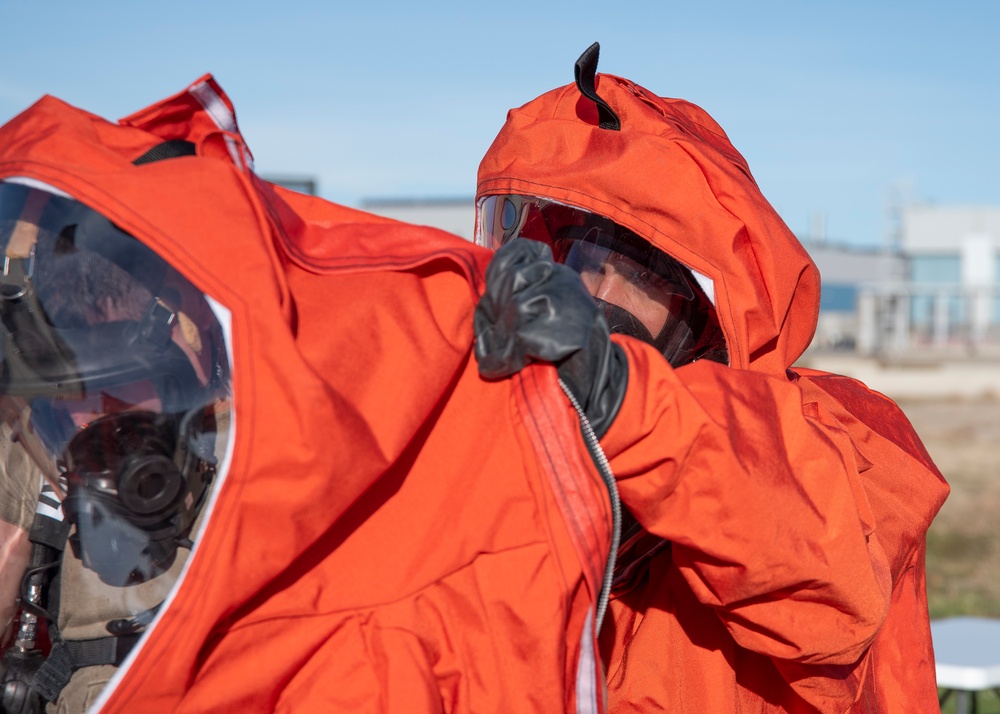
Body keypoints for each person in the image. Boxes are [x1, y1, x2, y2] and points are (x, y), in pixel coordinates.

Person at [0, 74, 658, 714]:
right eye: (63, 409)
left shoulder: (287, 453)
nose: (91, 429)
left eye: (119, 398)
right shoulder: (29, 478)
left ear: (185, 348)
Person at [472, 42, 950, 712]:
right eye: (577, 257)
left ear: (705, 313)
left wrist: (619, 395)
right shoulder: (543, 436)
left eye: (637, 271)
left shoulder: (839, 430)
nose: (596, 288)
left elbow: (820, 571)